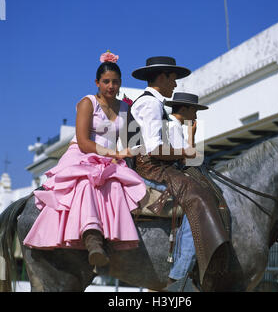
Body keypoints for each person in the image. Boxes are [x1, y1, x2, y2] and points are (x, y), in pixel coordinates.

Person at [23, 51, 146, 268]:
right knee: (85, 184)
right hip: (82, 156)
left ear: (120, 84)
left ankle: (113, 237)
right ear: (97, 83)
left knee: (118, 186)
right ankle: (91, 239)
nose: (111, 86)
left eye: (115, 82)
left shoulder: (125, 108)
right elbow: (83, 142)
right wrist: (116, 154)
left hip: (108, 161)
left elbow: (131, 141)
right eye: (106, 81)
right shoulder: (88, 102)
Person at [131, 56, 231, 290]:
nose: (175, 85)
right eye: (173, 79)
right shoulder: (150, 104)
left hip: (156, 165)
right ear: (162, 77)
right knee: (198, 199)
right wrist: (184, 151)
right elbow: (153, 149)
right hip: (151, 168)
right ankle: (179, 275)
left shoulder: (153, 104)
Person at [164, 92, 208, 286]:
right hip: (169, 176)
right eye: (195, 111)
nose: (196, 116)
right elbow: (188, 160)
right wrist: (192, 136)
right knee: (197, 209)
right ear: (185, 109)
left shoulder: (173, 125)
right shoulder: (173, 126)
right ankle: (180, 271)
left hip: (172, 174)